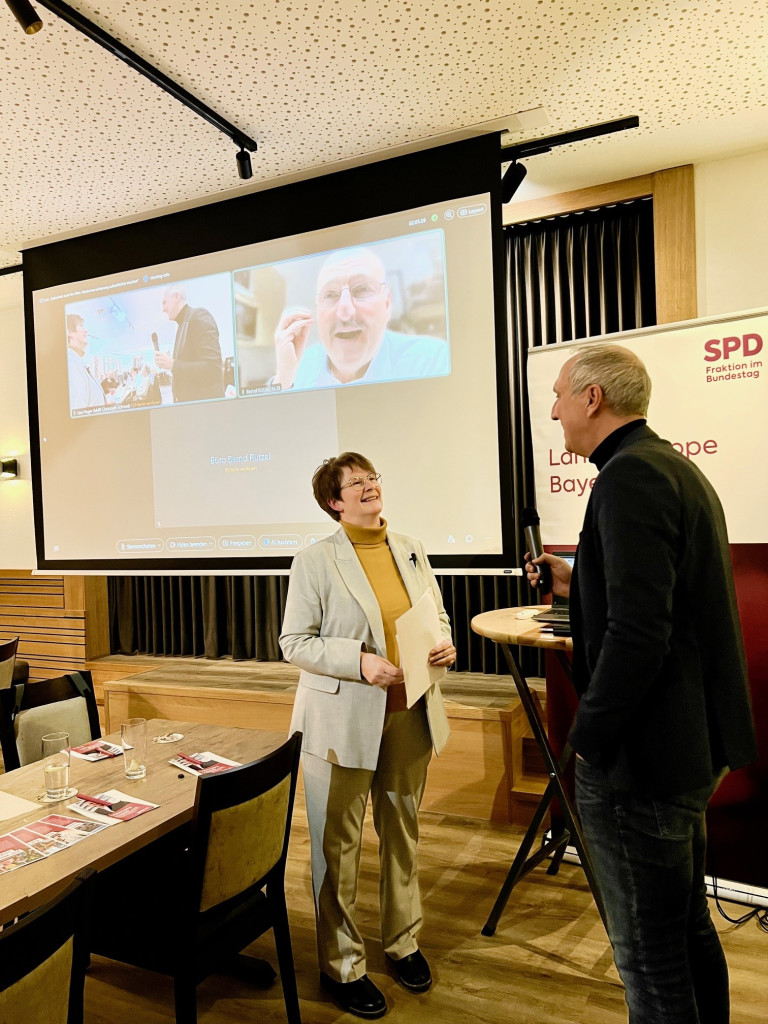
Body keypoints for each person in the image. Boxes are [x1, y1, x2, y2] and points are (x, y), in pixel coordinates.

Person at [526, 344, 756, 1024]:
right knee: (684, 930)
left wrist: (587, 742)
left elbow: (638, 637)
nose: (555, 410)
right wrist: (578, 583)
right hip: (682, 750)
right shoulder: (668, 468)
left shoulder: (630, 479)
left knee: (648, 957)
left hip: (643, 764)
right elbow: (661, 603)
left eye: (562, 395)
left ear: (593, 399)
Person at [280, 452, 456, 1019]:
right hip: (340, 723)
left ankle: (403, 941)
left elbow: (435, 614)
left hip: (409, 714)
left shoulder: (409, 547)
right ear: (334, 502)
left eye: (372, 478)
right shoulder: (315, 561)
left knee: (402, 834)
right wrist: (359, 663)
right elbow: (295, 642)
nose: (369, 487)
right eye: (356, 483)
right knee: (339, 848)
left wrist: (444, 645)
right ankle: (342, 965)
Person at [271, 248, 449, 390]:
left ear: (387, 304)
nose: (345, 312)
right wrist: (284, 379)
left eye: (362, 289)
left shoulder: (432, 361)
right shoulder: (298, 367)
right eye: (330, 294)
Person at [155, 284, 224, 402]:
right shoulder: (183, 324)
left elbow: (213, 368)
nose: (163, 309)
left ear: (176, 297)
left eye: (165, 302)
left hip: (204, 412)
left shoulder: (198, 316)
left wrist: (173, 364)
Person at [66, 314, 106, 411]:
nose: (86, 331)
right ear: (69, 332)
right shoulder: (71, 363)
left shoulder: (77, 361)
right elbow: (78, 410)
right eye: (81, 326)